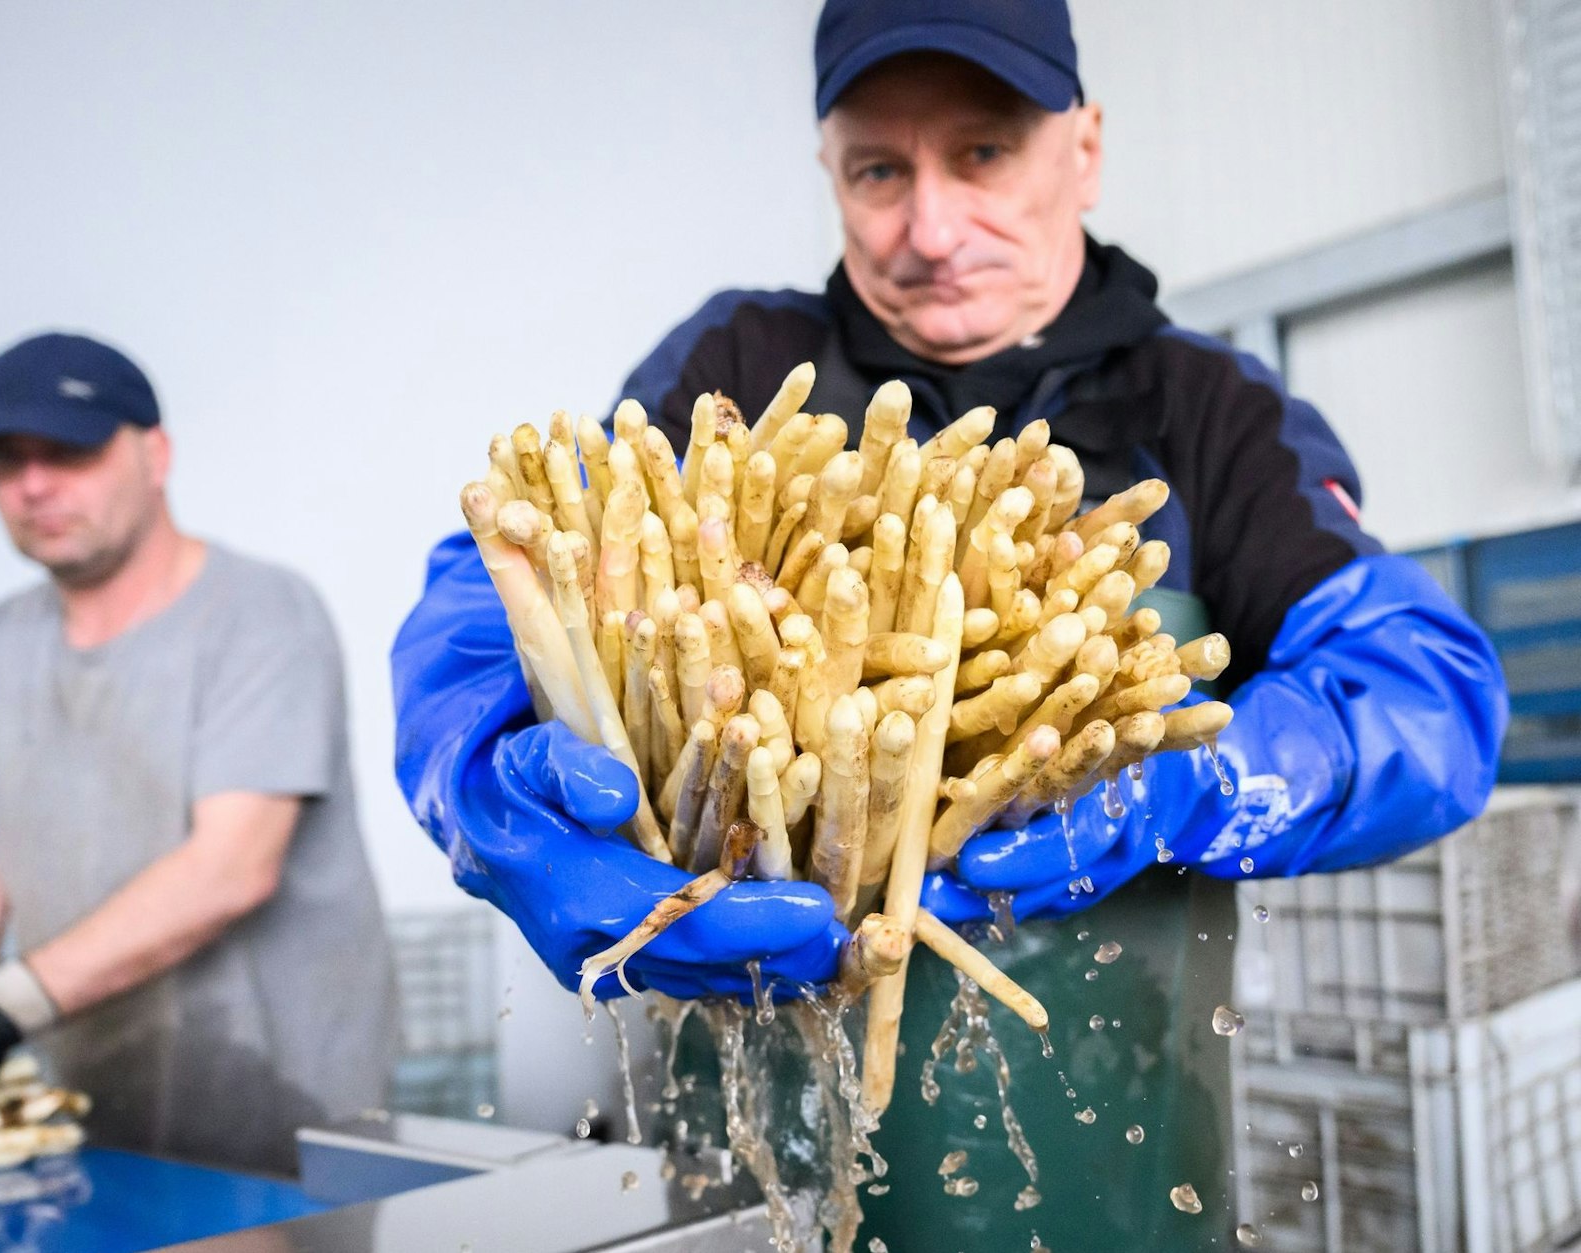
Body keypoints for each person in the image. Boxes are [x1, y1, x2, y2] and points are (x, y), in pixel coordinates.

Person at [393, 2, 1507, 1246]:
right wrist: (475, 765)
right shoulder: (734, 362)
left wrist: (1198, 781)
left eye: (980, 153)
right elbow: (506, 578)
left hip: (1110, 1163)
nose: (928, 229)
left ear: (1079, 148)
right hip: (747, 1188)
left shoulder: (1207, 411)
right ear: (830, 169)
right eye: (880, 170)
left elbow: (1424, 694)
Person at [0, 332, 399, 1190]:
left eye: (69, 452)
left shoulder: (261, 616)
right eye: (5, 459)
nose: (34, 485)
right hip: (92, 1112)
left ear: (156, 453)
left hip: (279, 1110)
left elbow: (232, 867)